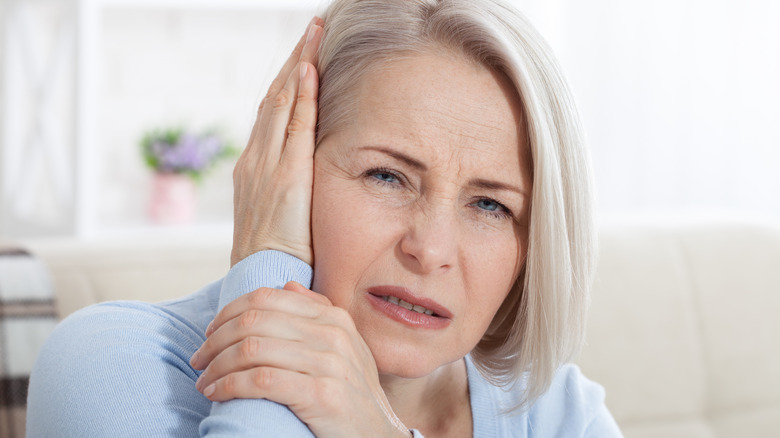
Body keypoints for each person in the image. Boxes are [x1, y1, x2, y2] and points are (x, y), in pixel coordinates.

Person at [27, 0, 623, 436]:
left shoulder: (557, 413)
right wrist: (267, 263)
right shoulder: (110, 365)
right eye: (386, 176)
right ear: (287, 167)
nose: (431, 248)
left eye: (490, 205)